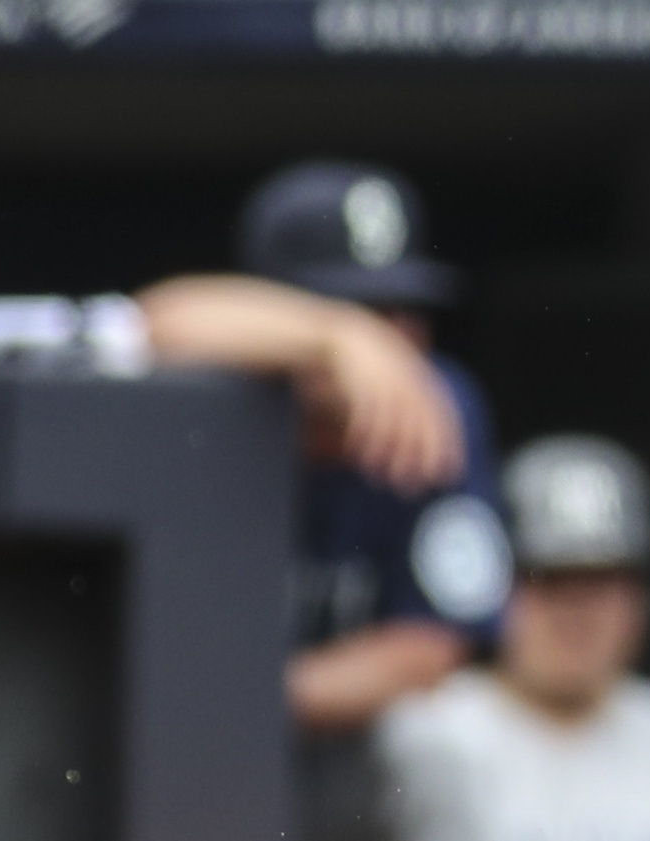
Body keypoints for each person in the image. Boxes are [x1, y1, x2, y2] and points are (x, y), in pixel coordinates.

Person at [139, 160, 510, 841]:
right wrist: (336, 336)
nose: (392, 343)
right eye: (363, 309)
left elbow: (427, 648)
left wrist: (246, 694)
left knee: (445, 742)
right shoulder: (214, 392)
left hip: (334, 740)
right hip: (174, 735)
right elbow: (151, 322)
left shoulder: (438, 408)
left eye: (403, 312)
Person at [381, 434, 650, 841]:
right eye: (549, 580)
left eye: (601, 581)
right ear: (492, 587)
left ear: (646, 598)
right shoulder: (416, 737)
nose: (576, 612)